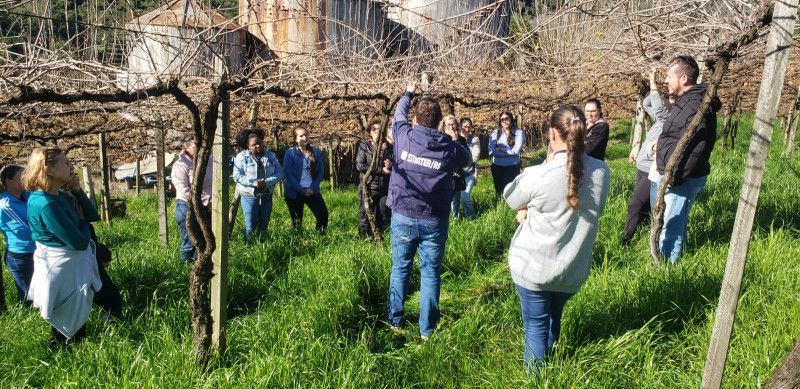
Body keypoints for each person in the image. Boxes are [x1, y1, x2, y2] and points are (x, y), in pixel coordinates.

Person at [503, 105, 610, 371]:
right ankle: (552, 365)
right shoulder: (602, 172)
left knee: (535, 327)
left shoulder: (539, 174)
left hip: (534, 269)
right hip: (572, 270)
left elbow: (511, 197)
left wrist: (546, 163)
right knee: (553, 316)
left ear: (552, 134)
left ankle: (537, 378)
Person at [386, 82, 471, 340]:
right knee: (430, 273)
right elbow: (467, 160)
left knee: (400, 268)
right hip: (434, 220)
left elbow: (398, 116)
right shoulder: (450, 148)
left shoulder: (404, 137)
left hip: (403, 214)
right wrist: (457, 138)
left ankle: (395, 322)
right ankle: (427, 330)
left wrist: (408, 92)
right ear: (438, 123)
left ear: (416, 119)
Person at [23, 148, 103, 344]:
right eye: (65, 163)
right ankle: (63, 358)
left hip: (68, 269)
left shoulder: (56, 196)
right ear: (49, 169)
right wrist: (83, 223)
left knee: (71, 319)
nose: (70, 166)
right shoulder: (46, 204)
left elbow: (92, 215)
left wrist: (76, 190)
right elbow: (79, 242)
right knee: (67, 324)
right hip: (63, 271)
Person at [653, 55, 721, 263]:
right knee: (675, 224)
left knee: (671, 228)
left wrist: (675, 177)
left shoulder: (695, 106)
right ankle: (671, 266)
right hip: (676, 174)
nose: (665, 80)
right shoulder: (687, 102)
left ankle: (666, 274)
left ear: (683, 78)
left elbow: (695, 148)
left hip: (682, 177)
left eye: (668, 76)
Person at [621, 67, 671, 245]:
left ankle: (626, 239)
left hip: (652, 169)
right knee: (641, 205)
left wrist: (652, 80)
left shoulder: (667, 118)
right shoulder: (661, 120)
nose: (665, 102)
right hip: (642, 167)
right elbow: (647, 103)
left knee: (635, 203)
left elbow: (655, 103)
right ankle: (640, 234)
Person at [233, 128, 284, 241]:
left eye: (260, 143)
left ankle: (262, 245)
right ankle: (249, 246)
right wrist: (254, 183)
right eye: (254, 145)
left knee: (264, 223)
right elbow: (237, 176)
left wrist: (267, 182)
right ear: (247, 145)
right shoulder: (241, 157)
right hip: (249, 195)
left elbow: (280, 173)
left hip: (266, 194)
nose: (258, 146)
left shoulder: (271, 156)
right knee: (251, 224)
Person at [171, 138, 212, 263]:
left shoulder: (209, 160)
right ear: (187, 148)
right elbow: (184, 190)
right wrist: (205, 200)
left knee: (205, 239)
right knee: (190, 240)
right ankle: (184, 269)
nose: (199, 150)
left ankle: (200, 266)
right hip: (186, 205)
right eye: (195, 147)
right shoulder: (180, 165)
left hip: (208, 204)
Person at [0, 164, 35, 304]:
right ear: (8, 181)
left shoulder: (27, 196)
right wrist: (46, 226)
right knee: (28, 295)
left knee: (39, 291)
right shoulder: (6, 205)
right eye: (21, 177)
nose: (26, 179)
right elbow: (23, 232)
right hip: (21, 256)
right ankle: (31, 322)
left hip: (35, 250)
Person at [283, 127, 328, 233]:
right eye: (301, 136)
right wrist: (303, 191)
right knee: (297, 221)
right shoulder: (290, 154)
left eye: (306, 134)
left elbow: (321, 172)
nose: (305, 137)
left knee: (323, 215)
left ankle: (320, 237)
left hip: (312, 190)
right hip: (294, 192)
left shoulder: (315, 152)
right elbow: (289, 176)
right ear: (295, 139)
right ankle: (297, 243)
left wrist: (312, 188)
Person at [355, 118, 393, 238]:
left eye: (379, 129)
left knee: (383, 214)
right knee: (365, 216)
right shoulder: (364, 146)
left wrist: (392, 165)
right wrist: (381, 170)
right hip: (368, 187)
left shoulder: (389, 147)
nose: (377, 131)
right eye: (374, 129)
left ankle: (381, 239)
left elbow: (398, 164)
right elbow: (360, 165)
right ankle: (363, 240)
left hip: (384, 188)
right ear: (370, 132)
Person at [488, 111, 524, 196]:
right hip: (497, 165)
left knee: (511, 190)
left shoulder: (518, 133)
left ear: (511, 119)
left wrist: (501, 149)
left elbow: (516, 151)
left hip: (512, 166)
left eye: (507, 118)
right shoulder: (495, 132)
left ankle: (511, 208)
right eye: (502, 119)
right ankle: (500, 207)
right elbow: (491, 151)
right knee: (499, 190)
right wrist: (508, 152)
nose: (504, 121)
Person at [453, 117, 481, 219]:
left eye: (469, 126)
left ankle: (470, 217)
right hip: (456, 173)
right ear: (460, 127)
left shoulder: (474, 139)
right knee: (455, 199)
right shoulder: (455, 138)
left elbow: (475, 156)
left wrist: (460, 161)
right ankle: (455, 219)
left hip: (470, 173)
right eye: (465, 126)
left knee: (464, 197)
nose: (467, 128)